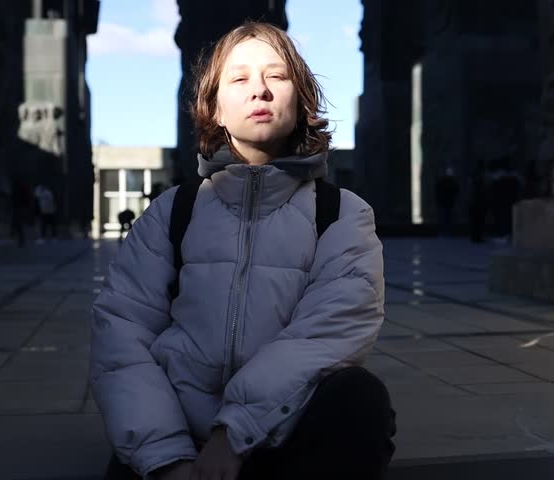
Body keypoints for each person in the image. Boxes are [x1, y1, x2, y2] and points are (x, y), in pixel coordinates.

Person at [90, 22, 395, 480]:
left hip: (285, 429)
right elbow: (121, 334)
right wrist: (166, 456)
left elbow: (326, 333)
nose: (260, 91)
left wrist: (232, 434)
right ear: (214, 108)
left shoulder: (341, 215)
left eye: (277, 76)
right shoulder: (173, 212)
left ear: (302, 100)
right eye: (239, 79)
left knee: (362, 400)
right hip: (180, 435)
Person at [434, 166, 459, 235]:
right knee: (445, 218)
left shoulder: (446, 182)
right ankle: (445, 232)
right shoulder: (447, 182)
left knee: (446, 218)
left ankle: (445, 232)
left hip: (447, 203)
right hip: (446, 203)